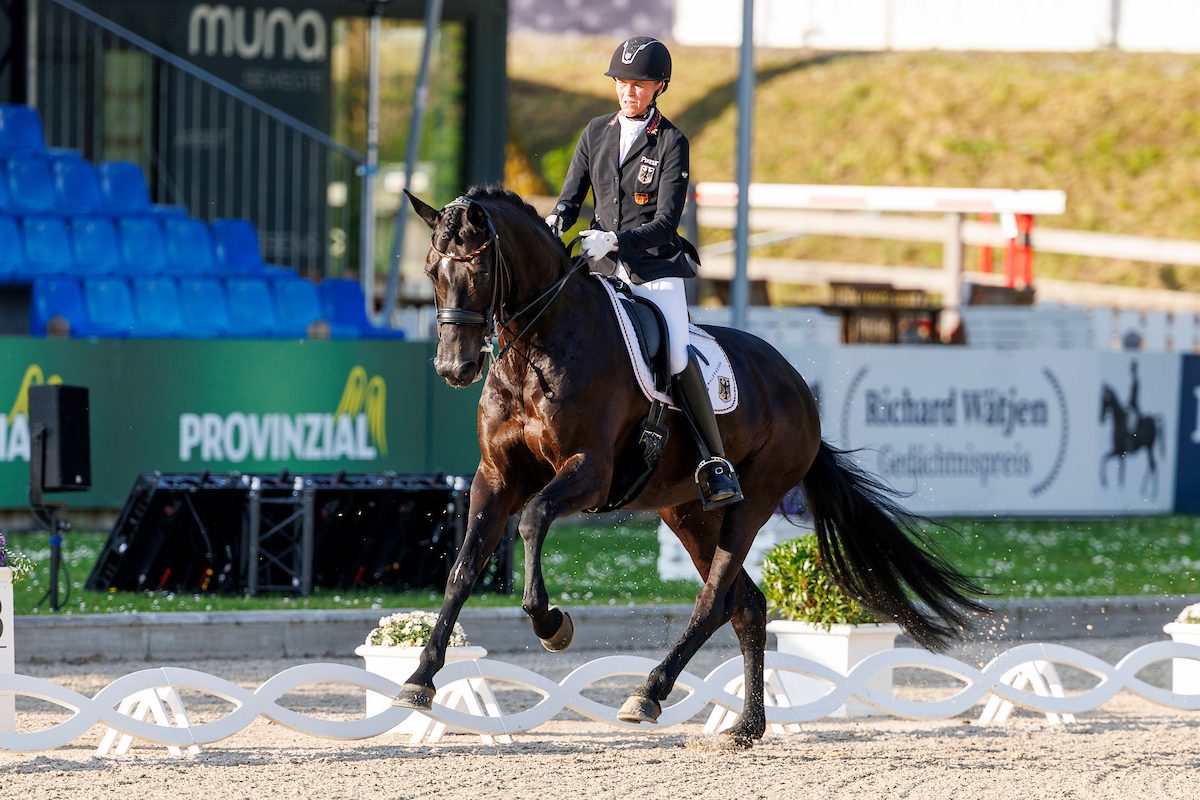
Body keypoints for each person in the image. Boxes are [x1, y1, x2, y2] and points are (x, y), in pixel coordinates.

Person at [544, 35, 742, 510]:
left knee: (674, 353)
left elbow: (665, 222)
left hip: (654, 270)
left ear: (659, 87)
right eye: (623, 82)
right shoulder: (595, 132)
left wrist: (614, 239)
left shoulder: (672, 142)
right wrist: (554, 223)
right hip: (599, 268)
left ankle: (715, 463)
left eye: (639, 84)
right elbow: (570, 199)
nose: (628, 91)